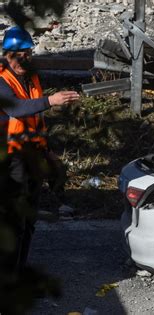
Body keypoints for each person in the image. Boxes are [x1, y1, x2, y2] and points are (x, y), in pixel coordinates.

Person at [0, 26, 80, 271]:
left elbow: (36, 121)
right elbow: (17, 109)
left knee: (29, 220)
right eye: (19, 54)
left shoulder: (30, 77)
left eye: (28, 53)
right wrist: (51, 101)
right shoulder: (1, 80)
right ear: (7, 54)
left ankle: (18, 270)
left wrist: (47, 150)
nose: (25, 59)